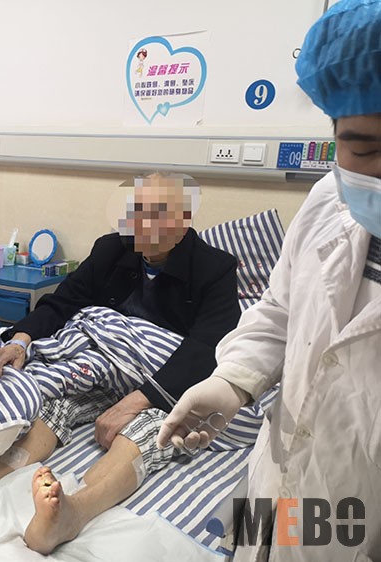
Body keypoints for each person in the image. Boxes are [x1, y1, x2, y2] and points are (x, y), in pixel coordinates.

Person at [0, 173, 241, 554]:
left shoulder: (214, 269)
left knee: (157, 427)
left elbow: (207, 349)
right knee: (54, 397)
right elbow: (63, 301)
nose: (143, 223)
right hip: (101, 365)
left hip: (161, 381)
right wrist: (20, 340)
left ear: (184, 221)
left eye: (158, 214)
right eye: (138, 211)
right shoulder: (112, 250)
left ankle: (74, 510)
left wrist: (136, 401)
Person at [157, 2, 381, 560]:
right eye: (366, 148)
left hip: (358, 521)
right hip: (277, 471)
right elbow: (281, 309)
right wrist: (232, 381)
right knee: (255, 545)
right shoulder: (328, 201)